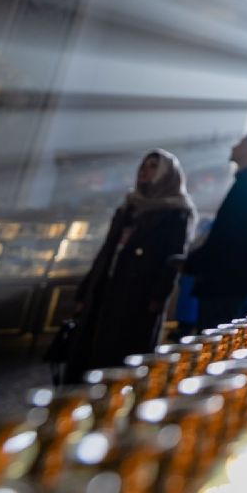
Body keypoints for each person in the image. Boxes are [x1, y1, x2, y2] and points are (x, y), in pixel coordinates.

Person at [62, 150, 195, 383]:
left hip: (138, 292)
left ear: (167, 174)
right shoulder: (130, 206)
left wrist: (158, 295)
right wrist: (85, 290)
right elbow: (107, 250)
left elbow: (173, 257)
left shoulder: (176, 212)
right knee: (90, 347)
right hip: (106, 286)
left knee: (123, 350)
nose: (145, 171)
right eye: (143, 166)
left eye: (153, 166)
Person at [183, 129, 247, 327]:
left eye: (241, 143)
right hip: (227, 281)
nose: (234, 147)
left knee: (214, 340)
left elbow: (231, 237)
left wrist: (193, 262)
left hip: (226, 282)